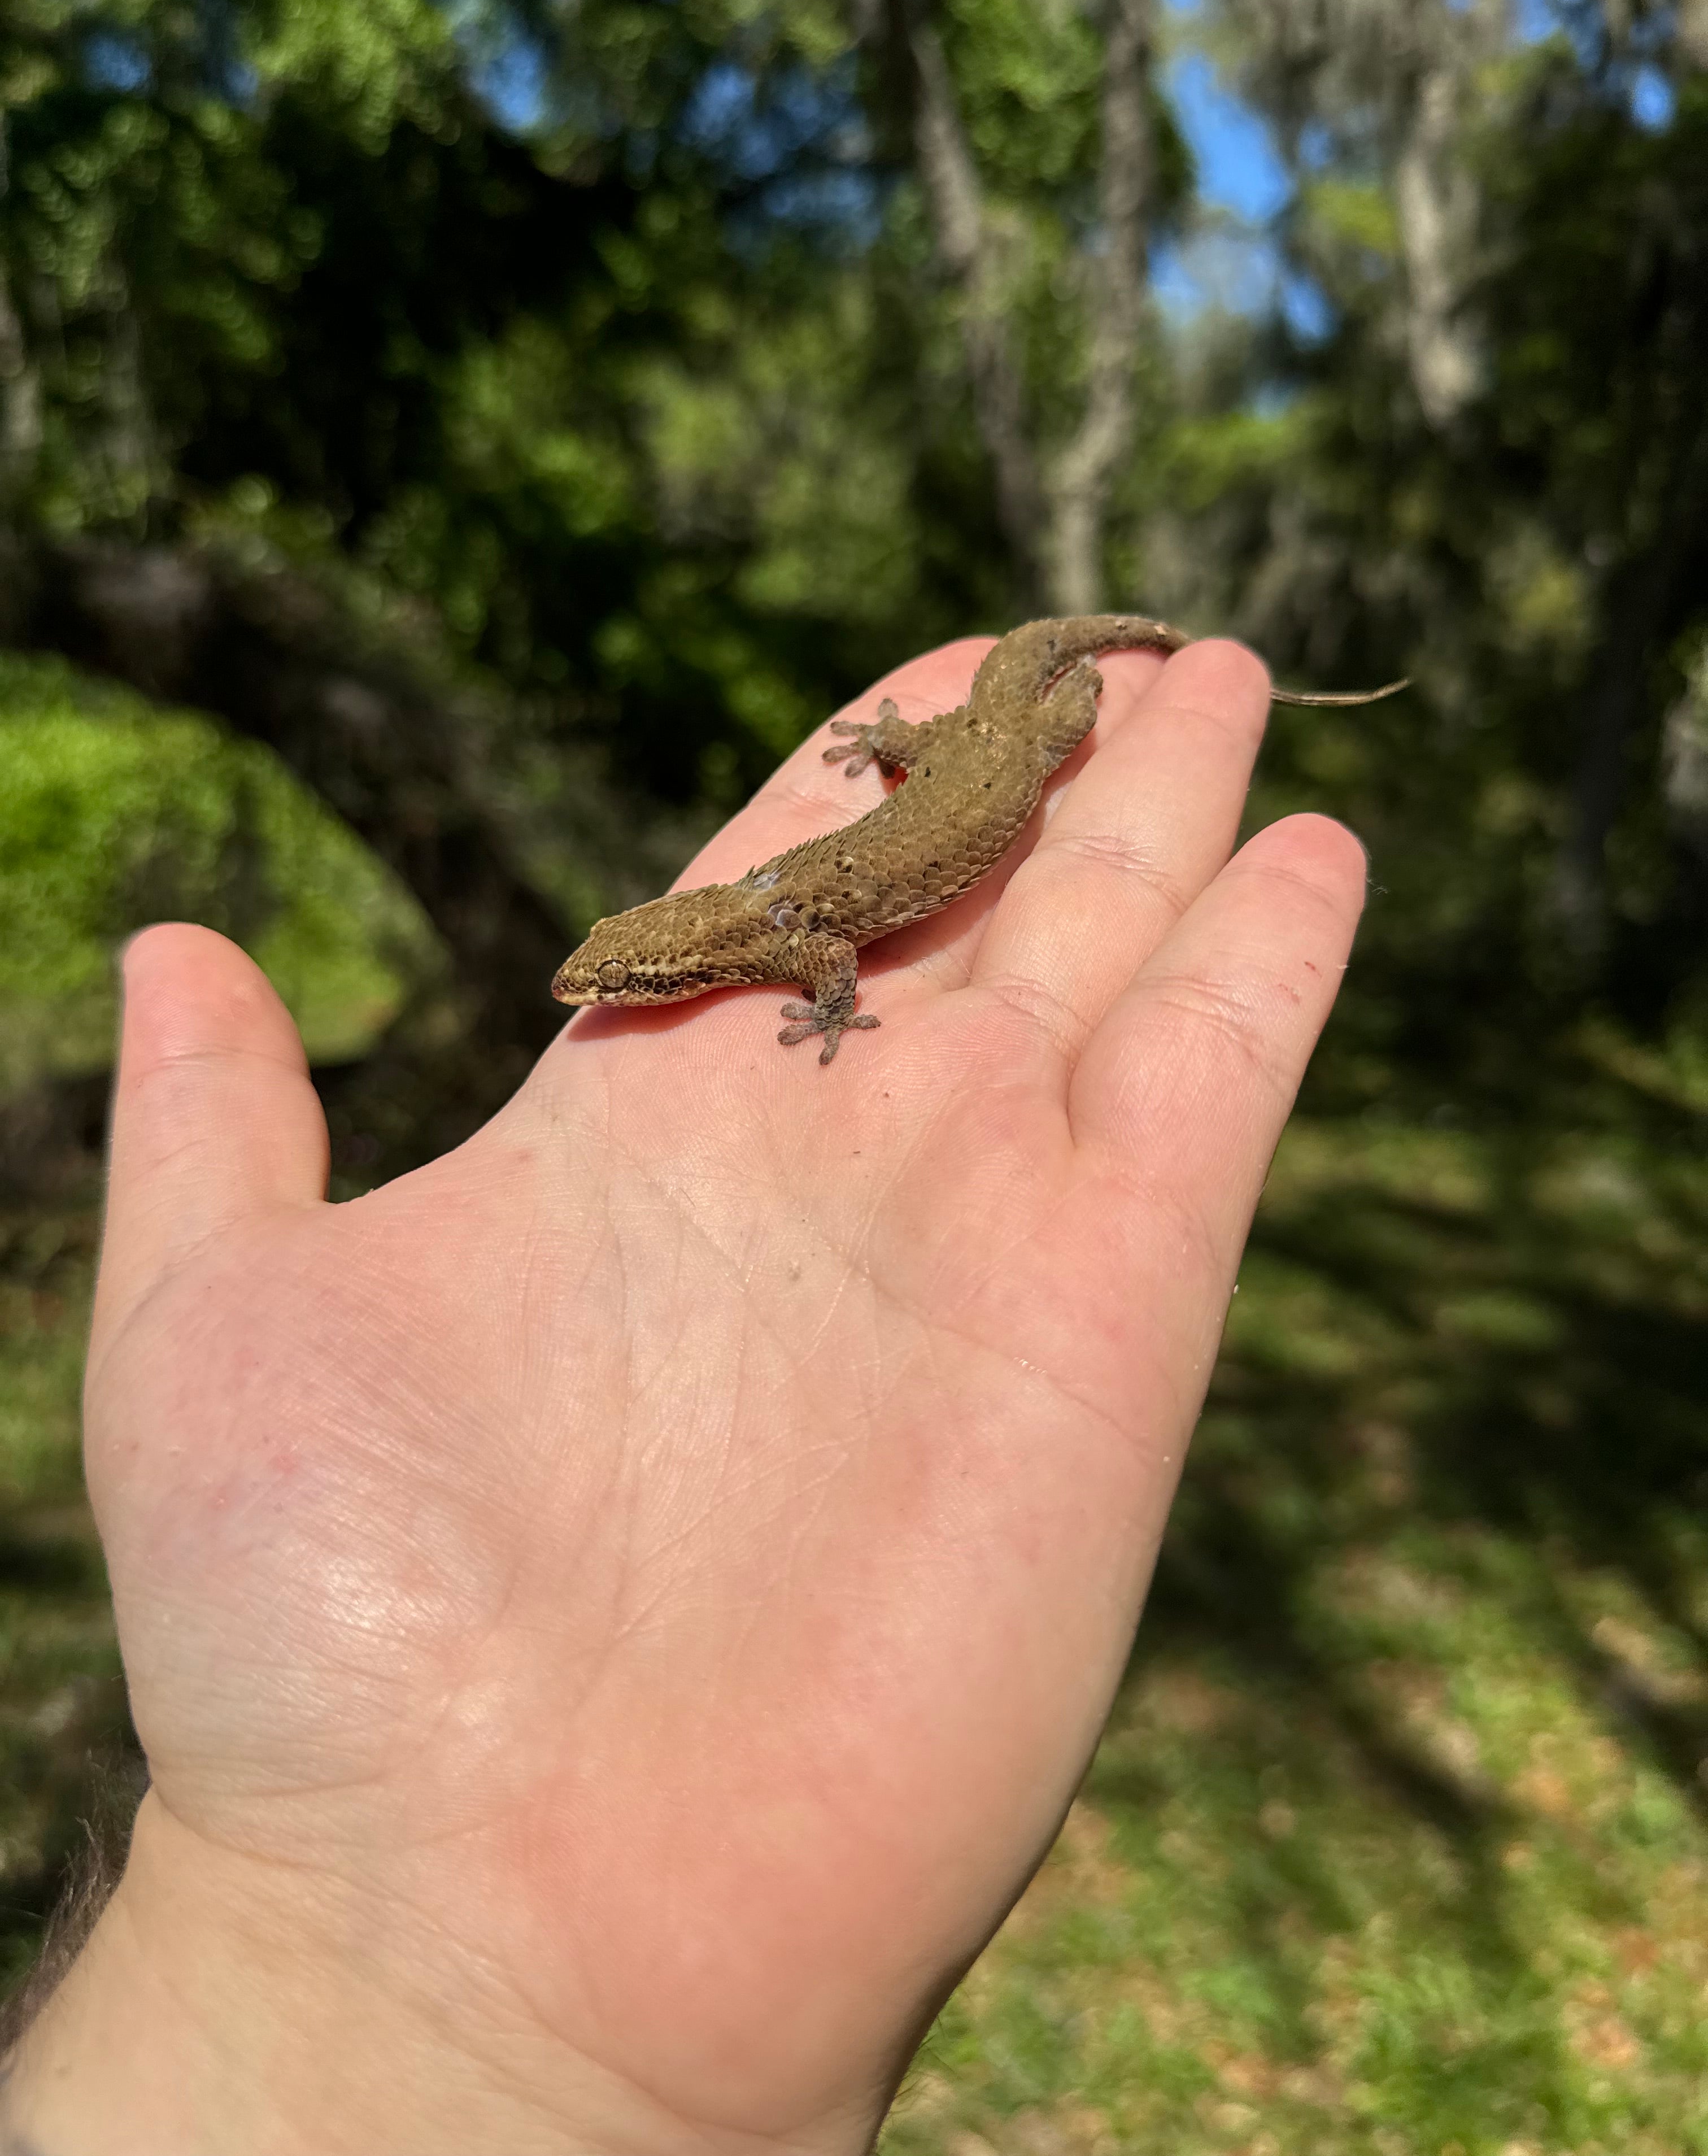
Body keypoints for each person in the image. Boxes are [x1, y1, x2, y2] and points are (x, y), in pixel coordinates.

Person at [0, 635, 1369, 2154]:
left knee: (1049, 727)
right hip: (958, 756)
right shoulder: (743, 923)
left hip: (994, 757)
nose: (595, 991)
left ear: (673, 965)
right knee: (1018, 730)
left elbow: (839, 961)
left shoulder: (790, 938)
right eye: (611, 968)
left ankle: (1083, 676)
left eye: (617, 975)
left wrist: (877, 939)